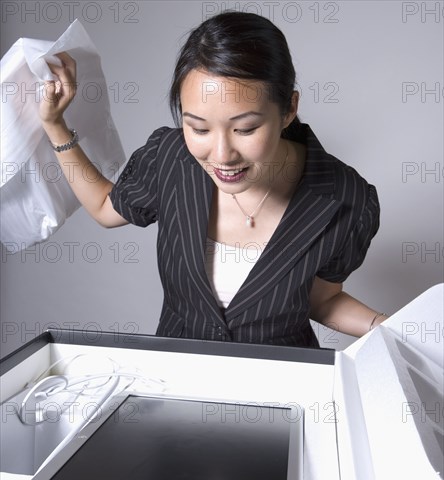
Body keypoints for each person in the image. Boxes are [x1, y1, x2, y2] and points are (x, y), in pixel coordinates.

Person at [39, 11, 388, 348]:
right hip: (180, 381)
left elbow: (323, 301)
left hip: (285, 386)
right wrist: (55, 125)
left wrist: (386, 328)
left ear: (289, 110)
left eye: (245, 128)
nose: (222, 155)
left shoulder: (347, 198)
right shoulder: (171, 158)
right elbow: (103, 207)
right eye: (199, 128)